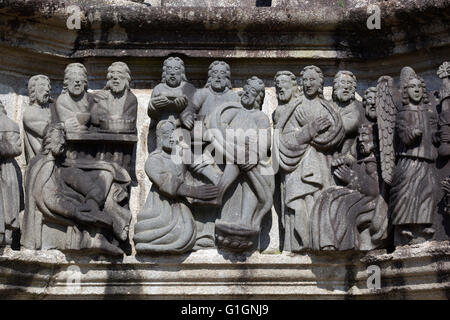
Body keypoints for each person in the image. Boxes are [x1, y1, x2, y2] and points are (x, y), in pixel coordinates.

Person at [21, 123, 132, 255]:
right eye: (59, 138)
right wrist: (74, 211)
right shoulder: (45, 164)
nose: (62, 142)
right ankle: (92, 240)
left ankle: (99, 236)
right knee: (98, 216)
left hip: (64, 201)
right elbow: (48, 197)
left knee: (100, 192)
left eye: (64, 138)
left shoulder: (51, 163)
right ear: (48, 140)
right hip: (57, 208)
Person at [273, 66, 345, 251]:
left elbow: (336, 133)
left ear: (321, 83)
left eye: (312, 80)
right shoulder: (294, 106)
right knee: (300, 204)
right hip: (297, 166)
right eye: (305, 80)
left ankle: (323, 241)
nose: (308, 84)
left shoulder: (329, 107)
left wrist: (317, 135)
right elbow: (282, 138)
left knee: (323, 201)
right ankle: (300, 242)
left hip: (322, 164)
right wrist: (307, 132)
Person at [133, 120, 218, 254]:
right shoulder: (153, 160)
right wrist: (194, 191)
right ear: (159, 137)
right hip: (161, 207)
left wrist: (218, 180)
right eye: (167, 133)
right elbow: (167, 183)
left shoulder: (181, 153)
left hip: (182, 203)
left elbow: (199, 164)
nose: (171, 137)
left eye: (173, 132)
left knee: (187, 227)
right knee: (174, 231)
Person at [90, 62, 137, 132]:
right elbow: (95, 120)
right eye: (112, 73)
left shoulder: (131, 99)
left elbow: (130, 123)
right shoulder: (102, 96)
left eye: (119, 73)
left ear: (126, 77)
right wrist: (94, 100)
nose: (115, 77)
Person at [0, 102, 22, 245]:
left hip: (5, 167)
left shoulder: (9, 124)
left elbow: (16, 148)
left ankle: (6, 234)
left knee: (8, 204)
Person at [23, 74, 54, 163]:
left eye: (48, 86)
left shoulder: (48, 110)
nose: (47, 89)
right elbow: (50, 133)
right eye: (42, 86)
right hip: (41, 163)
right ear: (33, 90)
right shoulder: (30, 113)